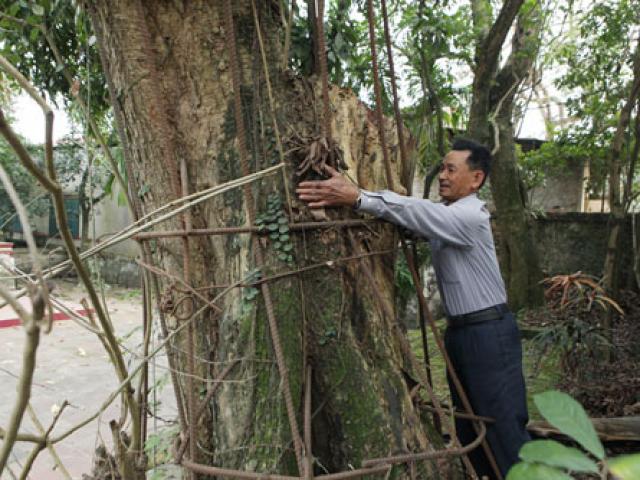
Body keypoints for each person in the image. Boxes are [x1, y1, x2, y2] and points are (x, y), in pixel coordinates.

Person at [296, 138, 530, 479]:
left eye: (451, 169)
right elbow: (417, 220)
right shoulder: (449, 217)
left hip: (488, 333)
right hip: (462, 333)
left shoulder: (469, 216)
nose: (443, 176)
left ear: (476, 179)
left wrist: (359, 197)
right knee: (469, 422)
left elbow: (417, 211)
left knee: (502, 422)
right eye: (442, 169)